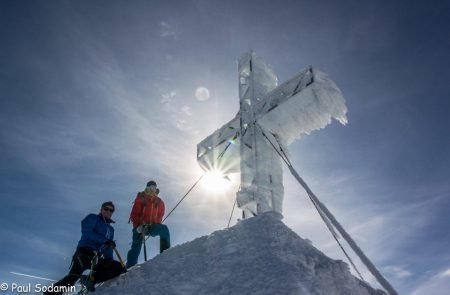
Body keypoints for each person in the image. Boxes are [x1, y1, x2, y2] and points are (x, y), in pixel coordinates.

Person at [44, 201, 125, 295]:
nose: (108, 211)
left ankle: (89, 280)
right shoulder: (93, 218)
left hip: (97, 257)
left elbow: (108, 247)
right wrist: (104, 240)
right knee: (73, 277)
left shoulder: (111, 230)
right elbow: (87, 232)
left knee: (118, 267)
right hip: (84, 252)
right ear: (101, 209)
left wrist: (110, 262)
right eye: (106, 208)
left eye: (111, 210)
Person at [126, 180, 171, 268]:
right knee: (136, 245)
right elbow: (134, 215)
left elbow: (160, 215)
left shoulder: (159, 202)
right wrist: (138, 226)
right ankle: (129, 267)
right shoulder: (141, 200)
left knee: (164, 229)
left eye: (153, 188)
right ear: (146, 188)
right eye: (149, 188)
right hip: (139, 226)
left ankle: (165, 254)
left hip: (151, 226)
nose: (152, 190)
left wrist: (156, 225)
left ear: (156, 189)